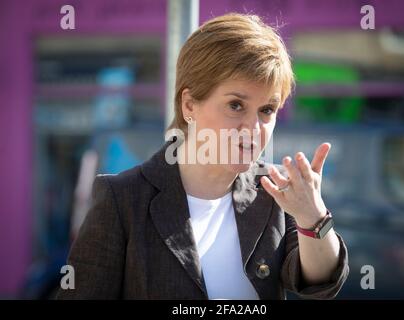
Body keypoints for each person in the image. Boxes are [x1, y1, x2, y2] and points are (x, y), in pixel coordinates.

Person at [57, 13, 348, 300]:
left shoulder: (276, 191)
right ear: (189, 105)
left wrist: (314, 218)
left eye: (267, 110)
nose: (253, 128)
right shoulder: (123, 200)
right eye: (236, 105)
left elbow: (320, 284)